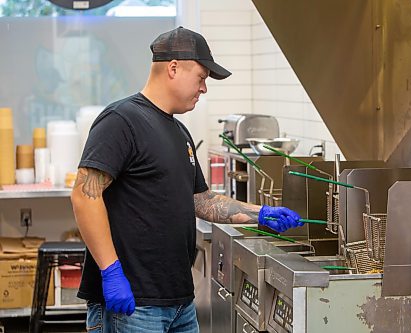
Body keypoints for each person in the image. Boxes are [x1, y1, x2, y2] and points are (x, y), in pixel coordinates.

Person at [70, 26, 303, 333]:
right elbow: (84, 196)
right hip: (133, 305)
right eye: (202, 77)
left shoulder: (179, 132)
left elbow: (201, 200)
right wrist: (111, 271)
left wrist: (259, 214)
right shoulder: (122, 120)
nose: (204, 88)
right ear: (174, 68)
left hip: (179, 302)